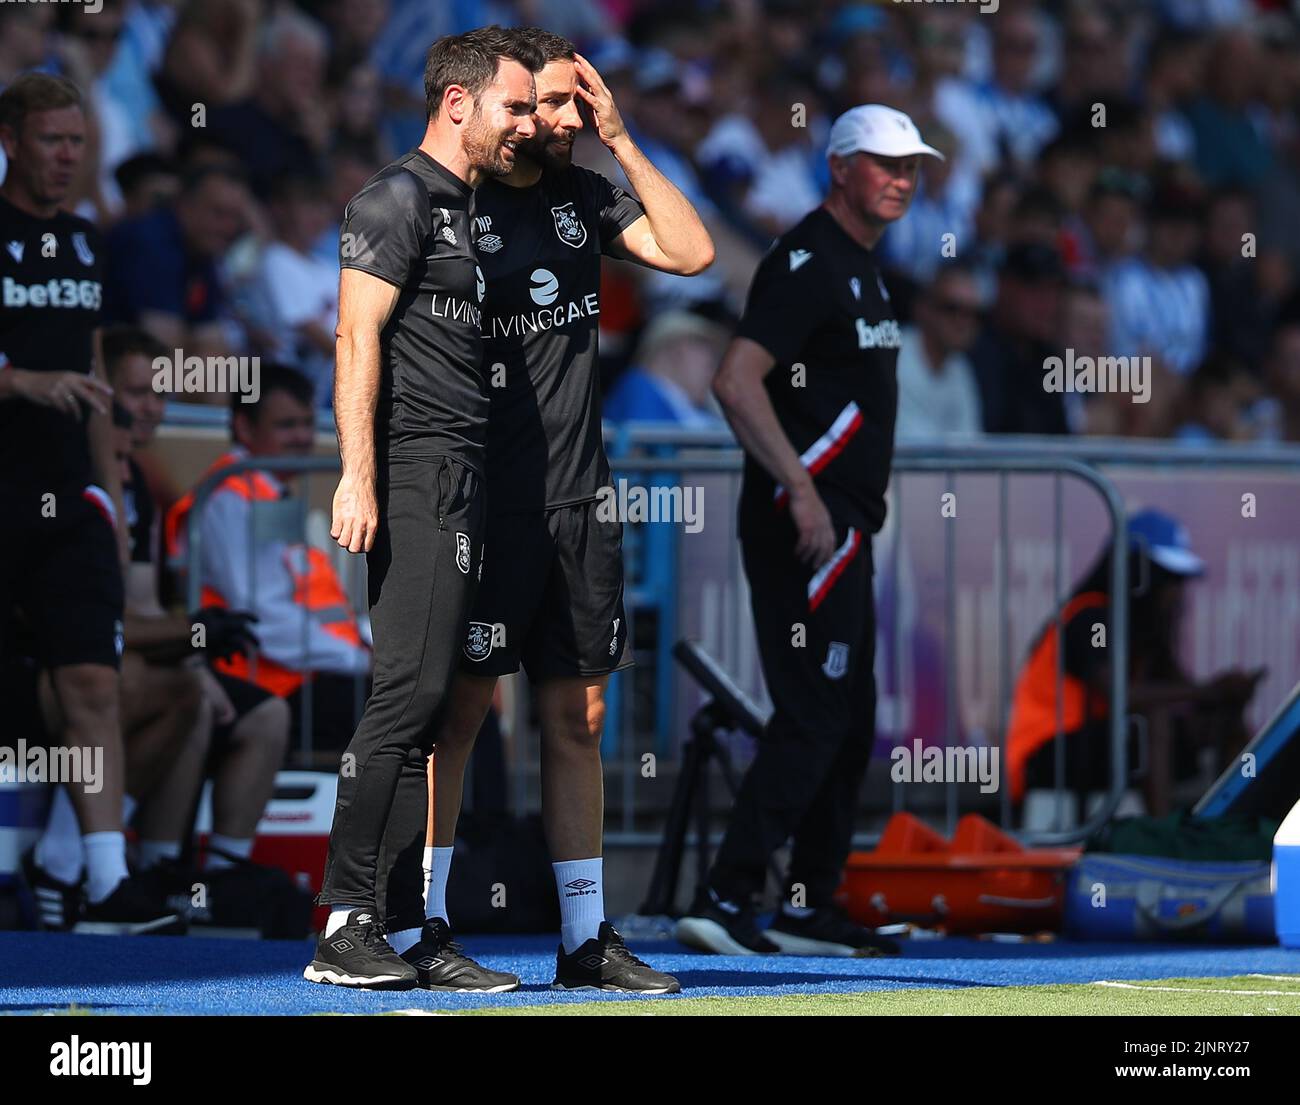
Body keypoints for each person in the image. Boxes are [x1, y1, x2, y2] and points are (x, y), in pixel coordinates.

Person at [424, 29, 713, 995]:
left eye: (567, 103)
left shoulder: (588, 194)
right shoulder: (447, 204)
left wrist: (623, 140)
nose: (552, 119)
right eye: (539, 103)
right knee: (460, 714)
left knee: (580, 716)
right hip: (483, 502)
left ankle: (585, 939)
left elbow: (692, 251)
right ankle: (424, 921)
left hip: (580, 502)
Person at [304, 27, 544, 991]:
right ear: (458, 104)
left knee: (436, 703)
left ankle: (404, 927)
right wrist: (356, 475)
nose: (526, 125)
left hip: (464, 475)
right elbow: (353, 339)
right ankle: (344, 922)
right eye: (514, 108)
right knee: (404, 693)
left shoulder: (471, 206)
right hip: (412, 472)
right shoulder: (395, 198)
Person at [675, 104, 942, 957]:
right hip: (810, 530)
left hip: (846, 526)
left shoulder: (865, 267)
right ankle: (727, 893)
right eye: (885, 163)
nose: (902, 178)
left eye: (911, 167)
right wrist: (802, 490)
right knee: (814, 712)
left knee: (848, 717)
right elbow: (734, 379)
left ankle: (805, 900)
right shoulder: (805, 261)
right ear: (839, 167)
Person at [0, 73, 176, 932]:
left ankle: (104, 883)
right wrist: (20, 380)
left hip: (69, 494)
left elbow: (100, 376)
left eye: (76, 141)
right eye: (50, 140)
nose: (66, 157)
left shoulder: (83, 241)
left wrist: (109, 500)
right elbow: (47, 371)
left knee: (92, 681)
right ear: (10, 140)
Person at [105, 326, 289, 883]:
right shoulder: (81, 475)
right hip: (68, 663)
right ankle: (131, 861)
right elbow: (104, 619)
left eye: (159, 394)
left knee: (263, 713)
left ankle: (214, 875)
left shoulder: (137, 479)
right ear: (99, 391)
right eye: (136, 392)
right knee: (190, 696)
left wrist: (192, 652)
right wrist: (191, 645)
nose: (151, 408)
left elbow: (139, 605)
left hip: (124, 649)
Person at [165, 365, 369, 753]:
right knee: (428, 710)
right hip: (269, 682)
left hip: (309, 674)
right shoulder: (230, 499)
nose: (303, 438)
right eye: (287, 425)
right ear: (244, 427)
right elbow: (263, 617)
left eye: (308, 423)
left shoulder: (264, 492)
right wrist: (359, 661)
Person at [1007, 510, 1264, 819]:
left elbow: (1182, 691)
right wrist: (1207, 691)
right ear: (1135, 573)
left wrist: (1223, 698)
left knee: (1223, 718)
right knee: (1149, 723)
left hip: (1104, 746)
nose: (1176, 591)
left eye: (1179, 581)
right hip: (1048, 754)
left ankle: (1236, 829)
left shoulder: (1143, 628)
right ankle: (1163, 837)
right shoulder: (1090, 619)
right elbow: (1121, 696)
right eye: (1167, 578)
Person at [893, 264, 983, 442]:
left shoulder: (960, 366)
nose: (963, 322)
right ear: (923, 308)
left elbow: (971, 443)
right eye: (952, 309)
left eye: (972, 314)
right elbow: (911, 444)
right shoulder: (895, 355)